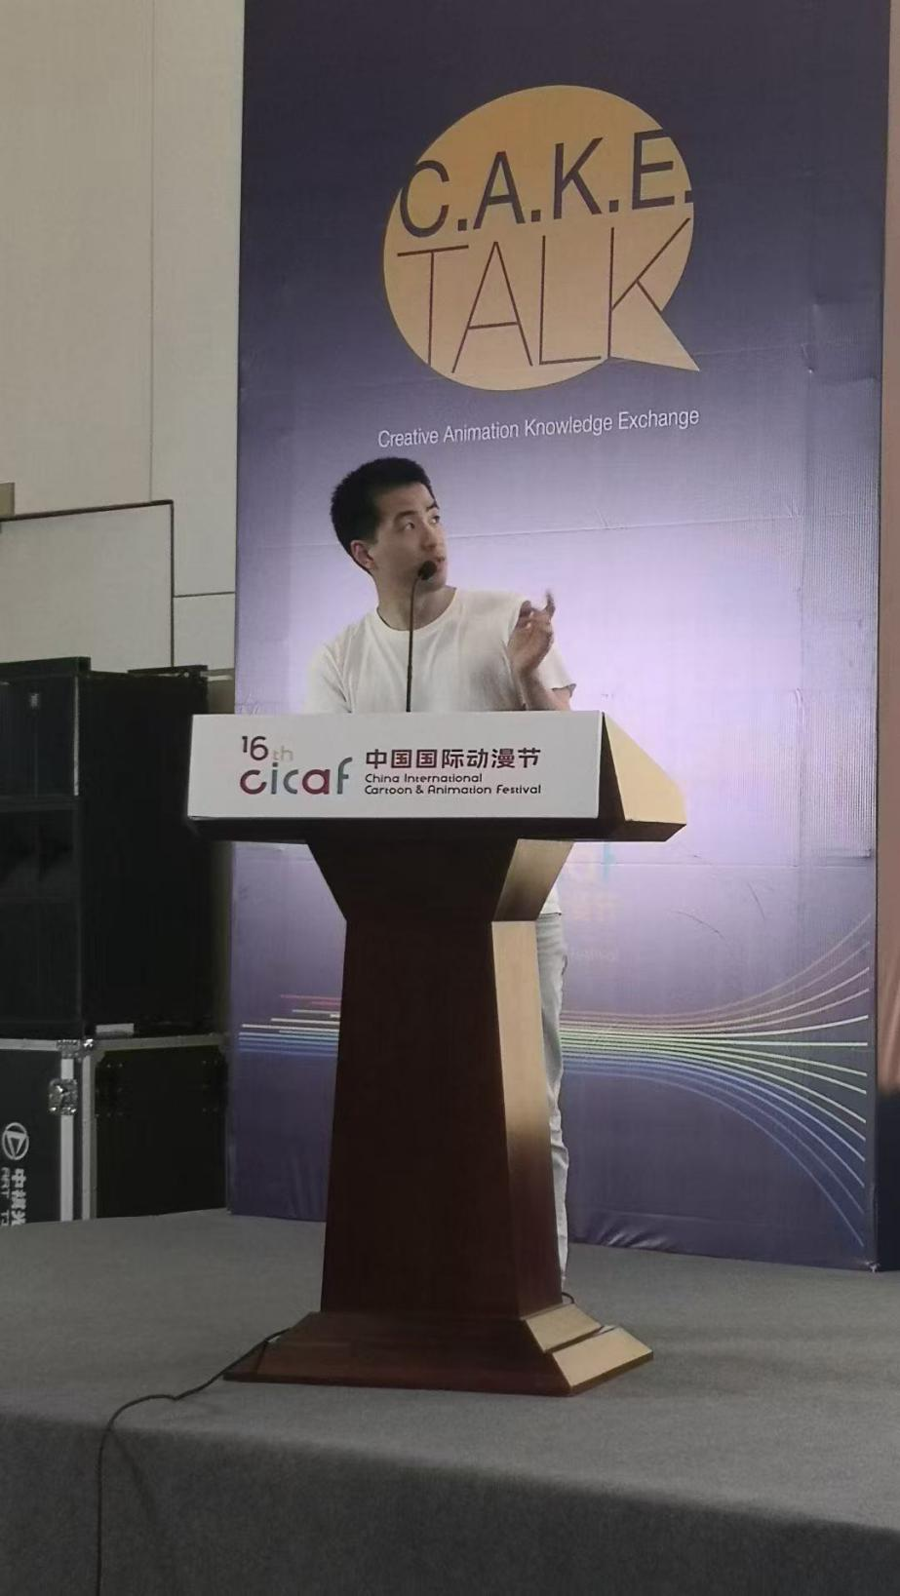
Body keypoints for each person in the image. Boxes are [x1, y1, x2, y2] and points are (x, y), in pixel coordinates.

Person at [305, 456, 574, 1276]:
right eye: (406, 523)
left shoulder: (505, 619)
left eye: (434, 514)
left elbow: (570, 757)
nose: (430, 535)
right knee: (412, 1110)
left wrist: (526, 677)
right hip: (400, 923)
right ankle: (422, 1287)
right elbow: (329, 789)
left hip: (515, 911)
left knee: (526, 1111)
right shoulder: (340, 660)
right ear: (365, 553)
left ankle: (544, 1285)